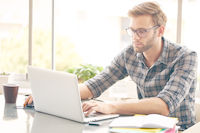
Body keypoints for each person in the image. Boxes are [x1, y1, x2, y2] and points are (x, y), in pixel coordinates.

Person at [24, 1, 197, 131]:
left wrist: (111, 106)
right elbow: (94, 85)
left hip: (179, 129)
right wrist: (49, 94)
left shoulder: (185, 57)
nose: (135, 37)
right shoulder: (129, 54)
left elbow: (163, 106)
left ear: (160, 31)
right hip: (145, 127)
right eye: (132, 30)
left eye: (142, 31)